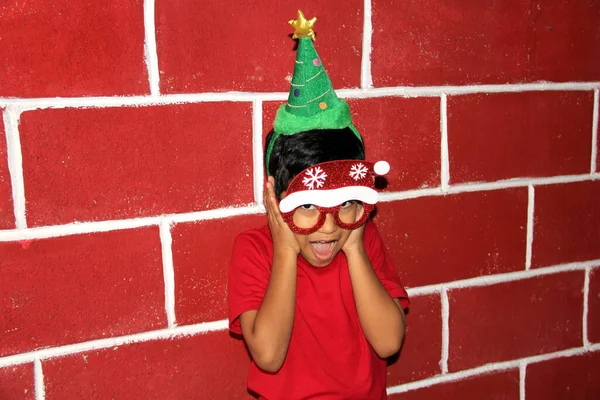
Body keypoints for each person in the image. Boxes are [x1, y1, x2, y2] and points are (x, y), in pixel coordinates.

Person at [228, 11, 409, 400]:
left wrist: (356, 246)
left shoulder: (361, 238)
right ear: (277, 201)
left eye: (345, 203)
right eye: (309, 206)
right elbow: (269, 355)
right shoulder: (254, 251)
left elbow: (389, 342)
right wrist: (285, 250)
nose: (329, 227)